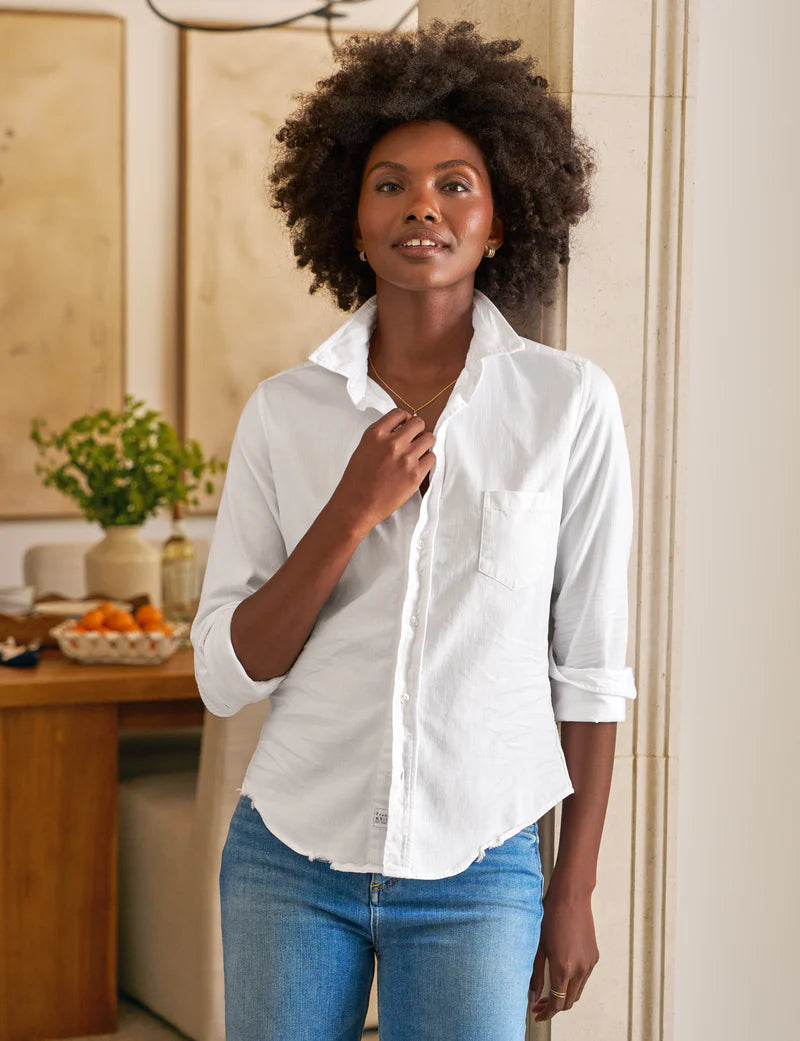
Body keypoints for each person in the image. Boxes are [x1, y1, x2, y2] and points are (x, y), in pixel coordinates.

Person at [190, 19, 637, 1041]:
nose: (421, 205)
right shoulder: (284, 412)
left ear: (499, 219)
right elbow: (224, 675)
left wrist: (572, 888)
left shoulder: (566, 405)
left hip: (480, 870)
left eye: (454, 184)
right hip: (286, 859)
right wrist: (350, 510)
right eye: (389, 182)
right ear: (349, 219)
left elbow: (591, 670)